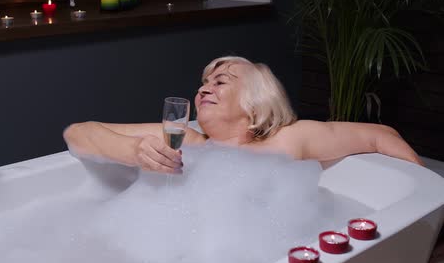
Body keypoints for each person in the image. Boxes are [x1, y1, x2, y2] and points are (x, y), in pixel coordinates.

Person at [63, 56, 423, 172]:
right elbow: (79, 132)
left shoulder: (290, 137)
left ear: (255, 101)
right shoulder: (187, 138)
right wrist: (133, 151)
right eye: (203, 82)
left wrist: (429, 219)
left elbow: (381, 135)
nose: (204, 88)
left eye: (220, 82)